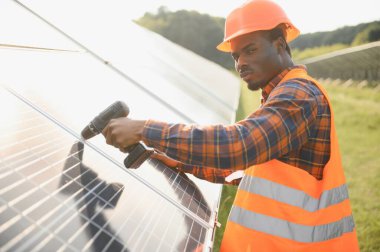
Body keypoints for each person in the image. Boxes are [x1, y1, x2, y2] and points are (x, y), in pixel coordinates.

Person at [102, 0, 360, 251]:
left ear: (280, 45)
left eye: (250, 50)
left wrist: (143, 129)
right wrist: (181, 162)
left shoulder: (298, 95)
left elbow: (239, 146)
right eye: (236, 56)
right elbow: (249, 172)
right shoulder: (279, 95)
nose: (240, 64)